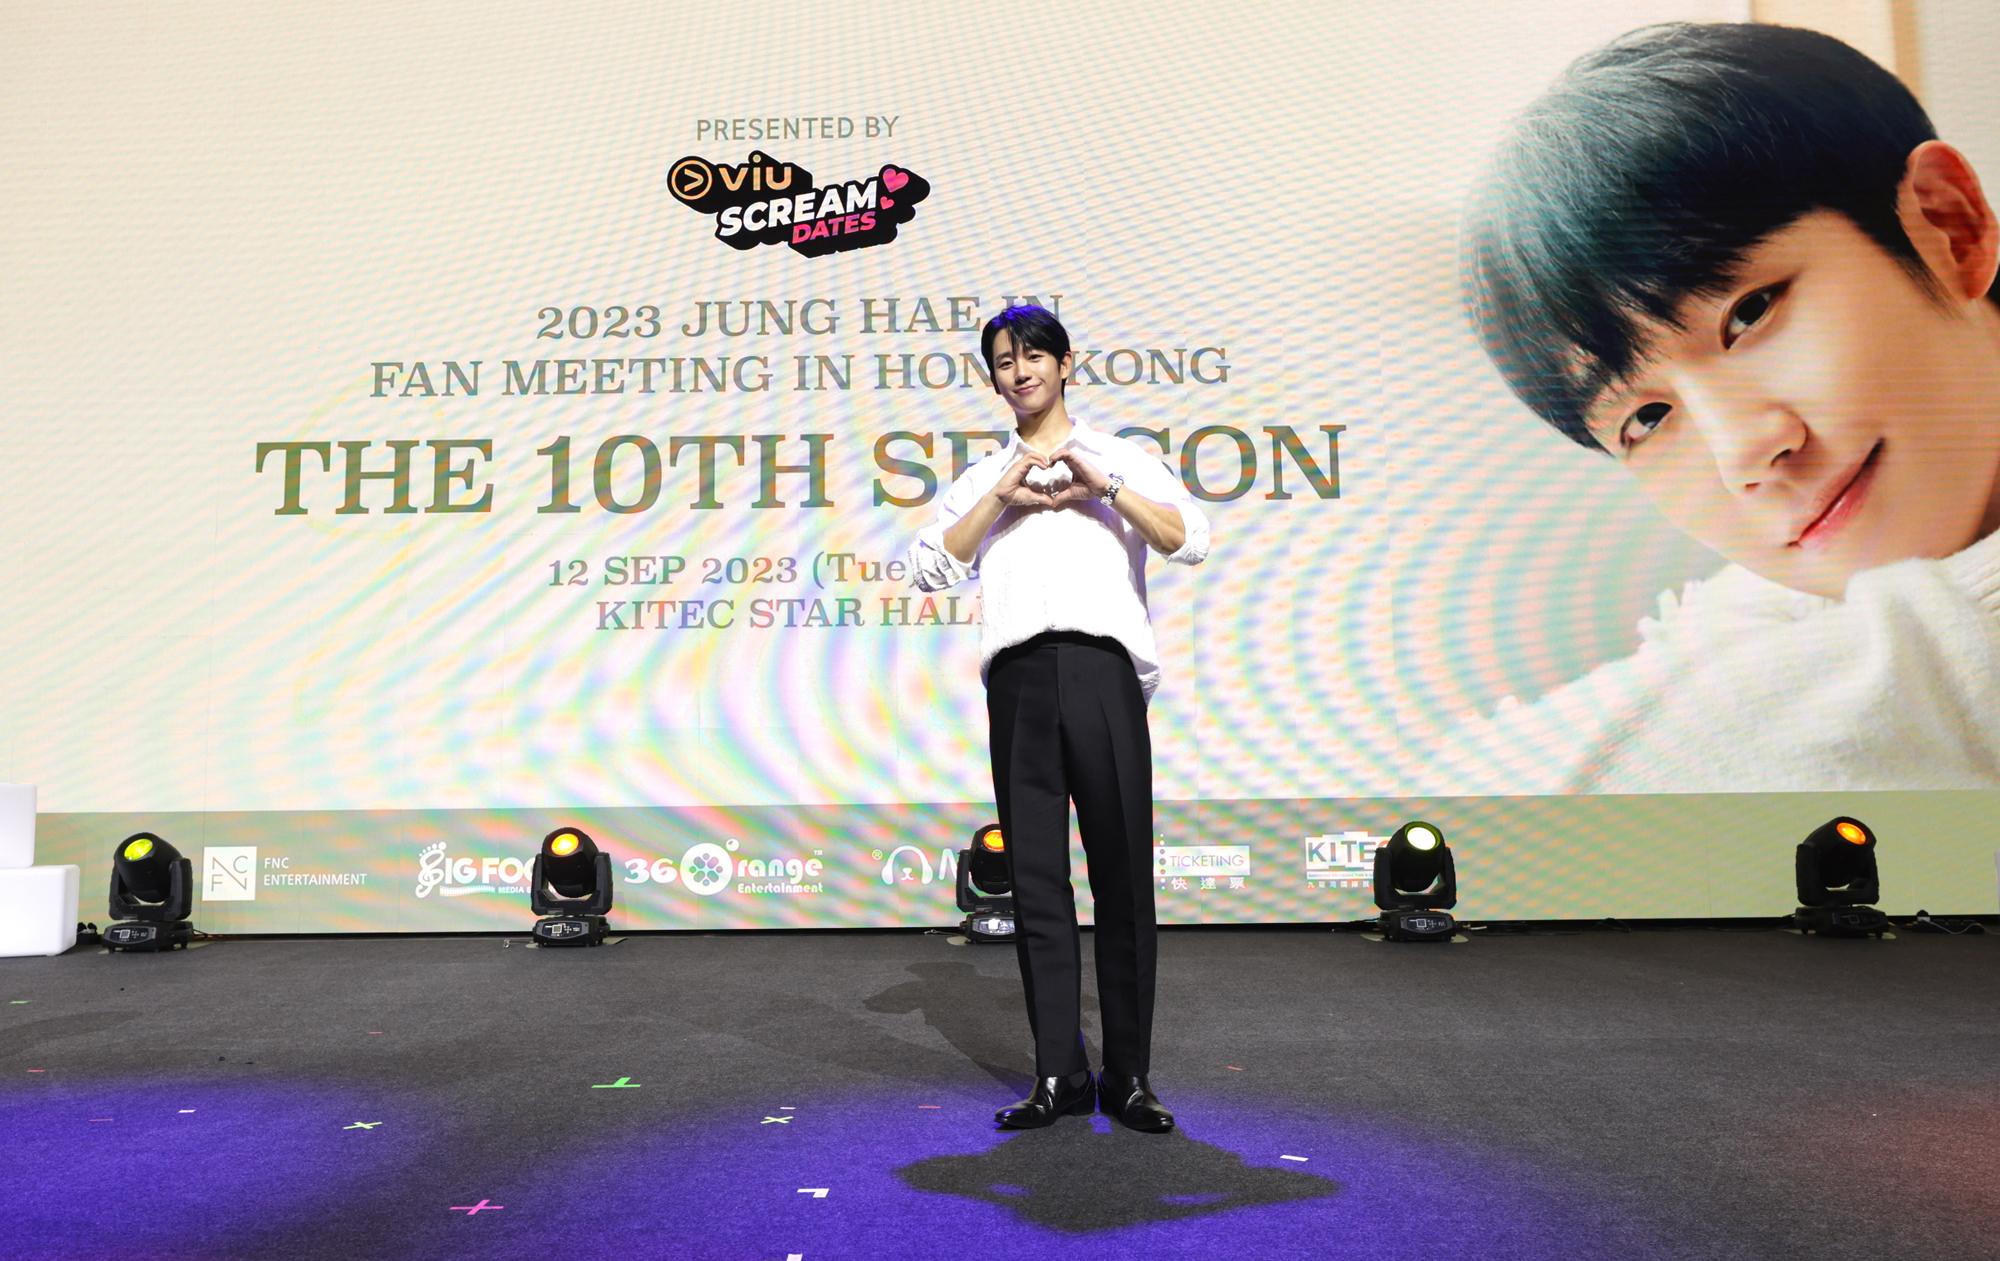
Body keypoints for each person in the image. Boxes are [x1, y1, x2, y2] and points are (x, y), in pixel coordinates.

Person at [1438, 21, 2000, 793]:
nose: (1744, 452)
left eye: (1749, 313)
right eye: (1646, 420)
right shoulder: (1749, 636)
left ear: (1947, 225)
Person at [908, 304, 1211, 1130]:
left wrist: (1100, 485)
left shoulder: (1120, 456)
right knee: (1037, 883)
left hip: (1103, 672)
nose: (1021, 371)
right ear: (994, 379)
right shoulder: (984, 475)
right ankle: (1059, 1074)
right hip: (1019, 681)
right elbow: (930, 567)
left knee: (1122, 877)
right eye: (1005, 362)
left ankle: (1129, 1076)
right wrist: (1001, 497)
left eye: (1034, 355)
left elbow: (1191, 539)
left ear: (1066, 363)